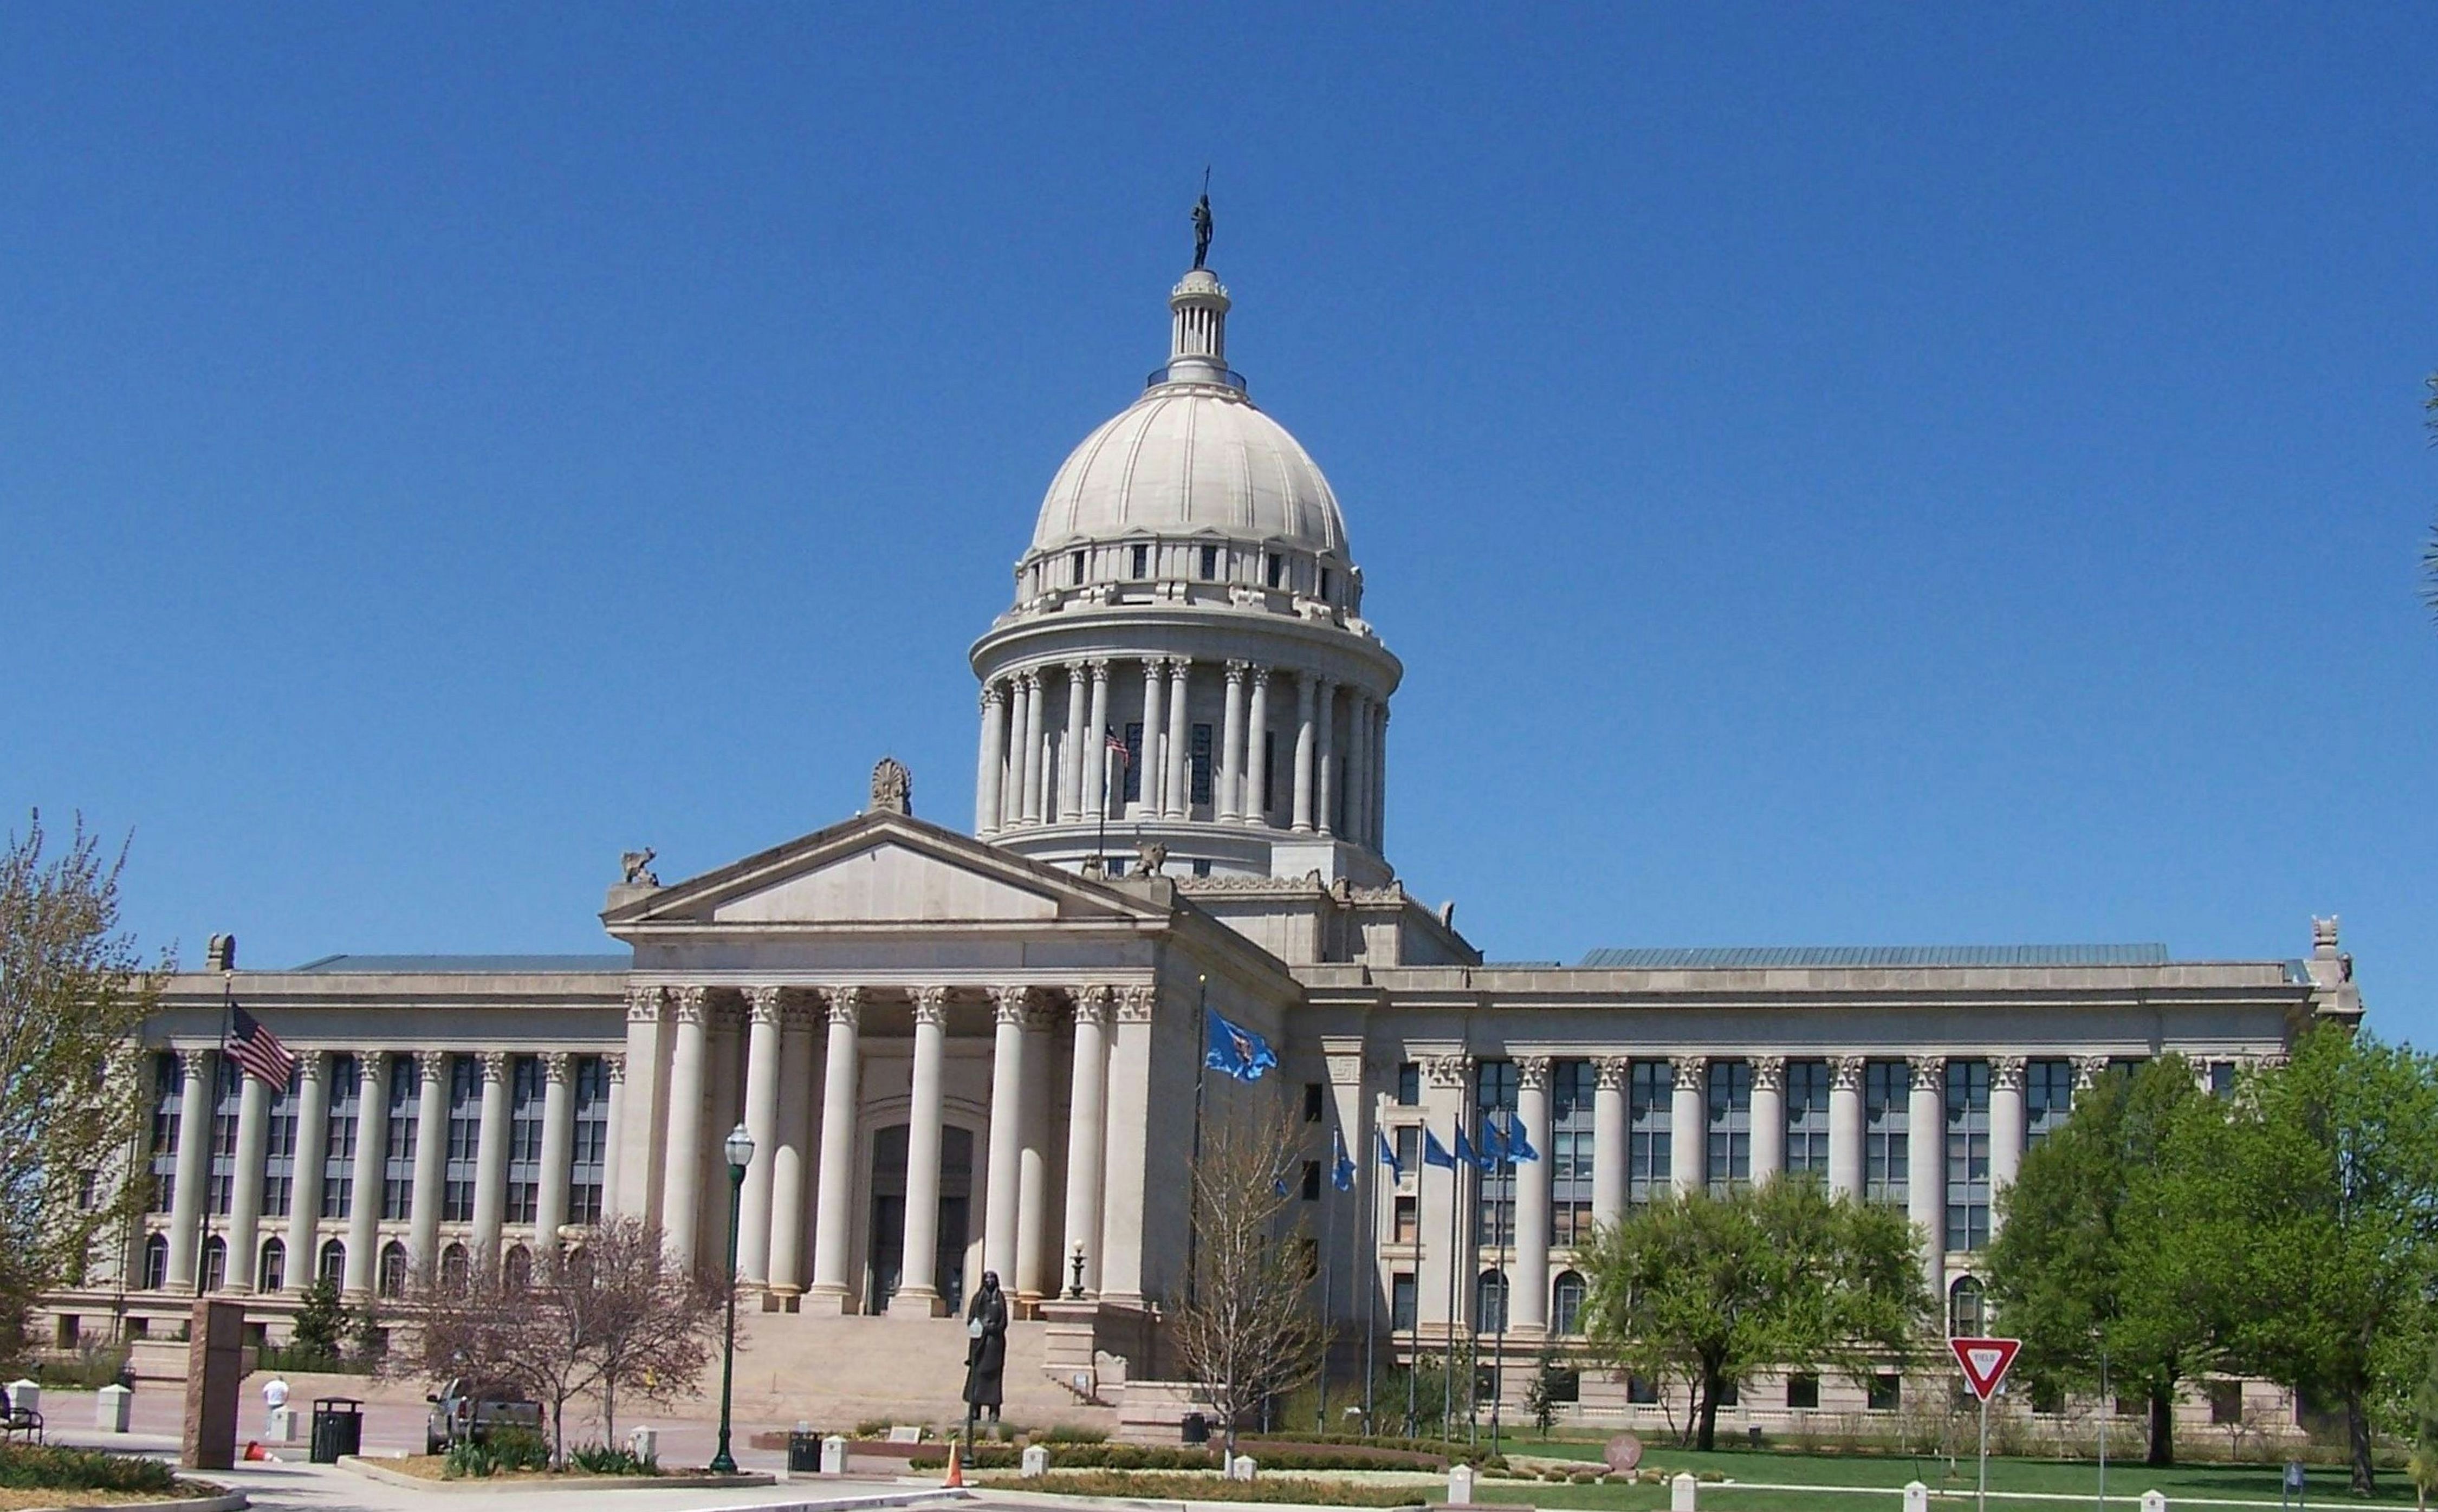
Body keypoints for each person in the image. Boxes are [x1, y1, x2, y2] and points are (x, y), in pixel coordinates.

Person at [962, 1271, 1009, 1425]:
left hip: (995, 1344)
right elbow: (971, 1320)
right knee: (977, 1377)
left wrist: (994, 1327)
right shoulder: (978, 1298)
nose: (989, 1281)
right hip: (980, 1344)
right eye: (987, 1278)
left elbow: (1004, 1322)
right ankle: (975, 1410)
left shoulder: (1000, 1299)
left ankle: (994, 1412)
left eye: (992, 1278)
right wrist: (981, 1325)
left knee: (994, 1378)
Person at [261, 1374, 289, 1438]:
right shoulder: (283, 1384)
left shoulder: (270, 1384)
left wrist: (267, 1399)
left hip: (271, 1402)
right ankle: (279, 1431)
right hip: (280, 1402)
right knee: (280, 1417)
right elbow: (287, 1392)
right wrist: (285, 1400)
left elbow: (264, 1392)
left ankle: (269, 1431)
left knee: (270, 1417)